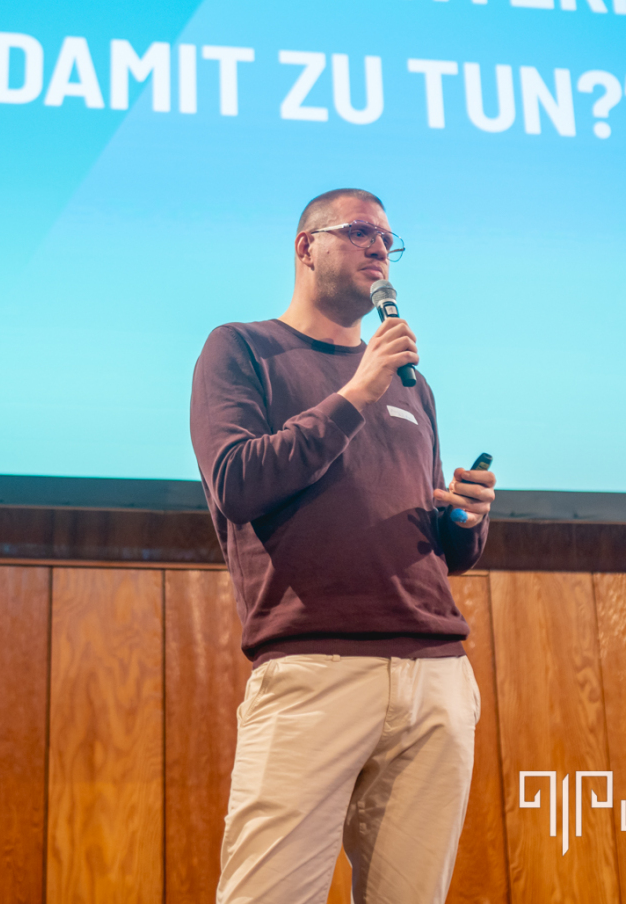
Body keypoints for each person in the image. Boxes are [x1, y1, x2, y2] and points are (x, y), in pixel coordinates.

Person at [189, 188, 495, 904]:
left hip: (435, 675)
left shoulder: (412, 386)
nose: (380, 247)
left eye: (389, 239)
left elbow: (443, 550)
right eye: (360, 231)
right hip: (314, 668)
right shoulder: (243, 349)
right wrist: (358, 391)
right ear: (307, 247)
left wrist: (466, 519)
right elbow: (236, 483)